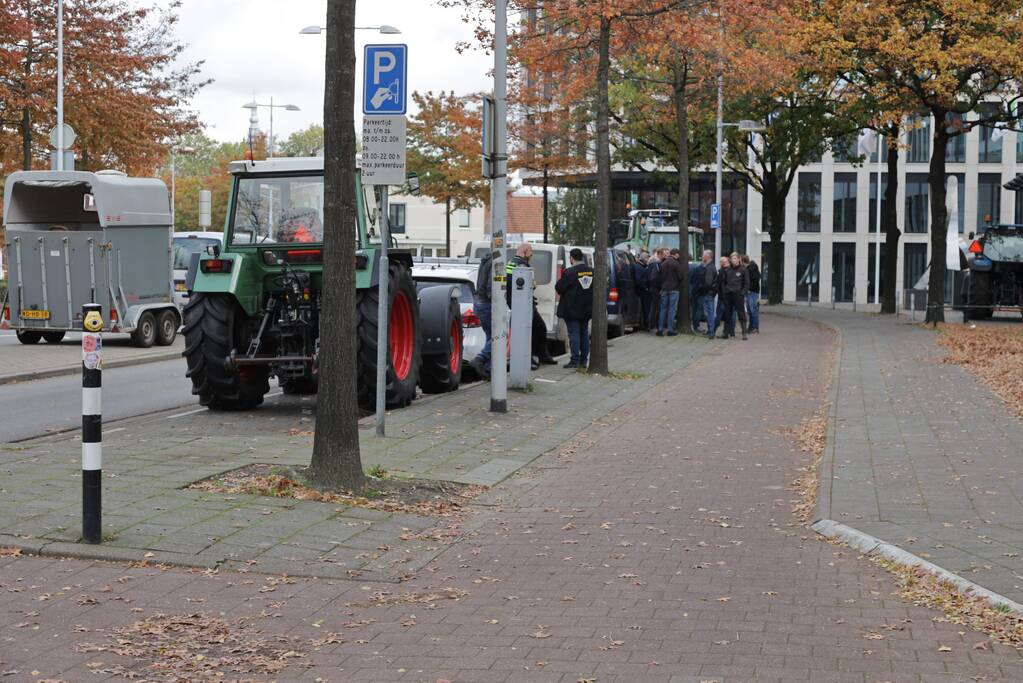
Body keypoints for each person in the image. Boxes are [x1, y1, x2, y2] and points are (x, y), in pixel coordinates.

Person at [506, 243, 557, 367]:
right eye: (531, 252)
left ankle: (541, 355)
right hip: (522, 303)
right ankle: (528, 359)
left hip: (519, 302)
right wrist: (533, 284)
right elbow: (527, 285)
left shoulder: (511, 262)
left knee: (539, 327)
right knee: (528, 331)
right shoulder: (521, 265)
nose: (532, 254)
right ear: (525, 251)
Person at [555, 248, 593, 368]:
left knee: (574, 334)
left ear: (571, 258)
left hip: (572, 310)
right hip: (587, 309)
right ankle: (583, 360)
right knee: (584, 334)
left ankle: (575, 360)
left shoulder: (570, 272)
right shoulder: (591, 271)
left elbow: (559, 288)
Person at [470, 250, 495, 378]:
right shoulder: (496, 261)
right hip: (487, 302)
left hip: (478, 301)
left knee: (490, 336)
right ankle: (480, 358)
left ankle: (488, 369)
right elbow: (492, 283)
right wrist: (495, 300)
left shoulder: (485, 260)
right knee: (499, 336)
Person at [720, 251, 749, 340]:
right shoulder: (727, 270)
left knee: (741, 313)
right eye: (732, 259)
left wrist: (742, 293)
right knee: (727, 314)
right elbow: (723, 282)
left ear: (739, 259)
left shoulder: (743, 270)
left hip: (738, 295)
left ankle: (744, 332)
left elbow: (747, 283)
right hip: (728, 295)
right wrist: (725, 291)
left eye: (735, 258)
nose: (734, 260)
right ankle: (725, 333)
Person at [657, 248, 684, 336]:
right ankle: (670, 329)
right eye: (678, 255)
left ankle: (660, 329)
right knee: (672, 310)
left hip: (664, 289)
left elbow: (660, 277)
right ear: (675, 254)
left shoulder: (663, 263)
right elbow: (680, 277)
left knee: (663, 309)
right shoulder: (676, 263)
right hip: (674, 289)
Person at [696, 250, 717, 339]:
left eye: (703, 255)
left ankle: (711, 331)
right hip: (708, 293)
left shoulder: (709, 268)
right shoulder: (709, 267)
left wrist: (700, 288)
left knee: (709, 313)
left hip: (707, 293)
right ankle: (710, 330)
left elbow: (708, 283)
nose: (702, 256)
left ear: (708, 257)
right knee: (709, 312)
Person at [742, 254, 761, 334]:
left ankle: (754, 328)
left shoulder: (751, 268)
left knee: (753, 310)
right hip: (752, 291)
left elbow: (755, 279)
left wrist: (749, 288)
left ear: (743, 261)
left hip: (752, 292)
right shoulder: (751, 268)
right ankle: (752, 327)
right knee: (750, 310)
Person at [645, 249, 663, 332]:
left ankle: (650, 325)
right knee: (654, 308)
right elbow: (654, 278)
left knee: (652, 307)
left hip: (651, 288)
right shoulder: (656, 264)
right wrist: (659, 286)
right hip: (655, 289)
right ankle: (652, 325)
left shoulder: (650, 264)